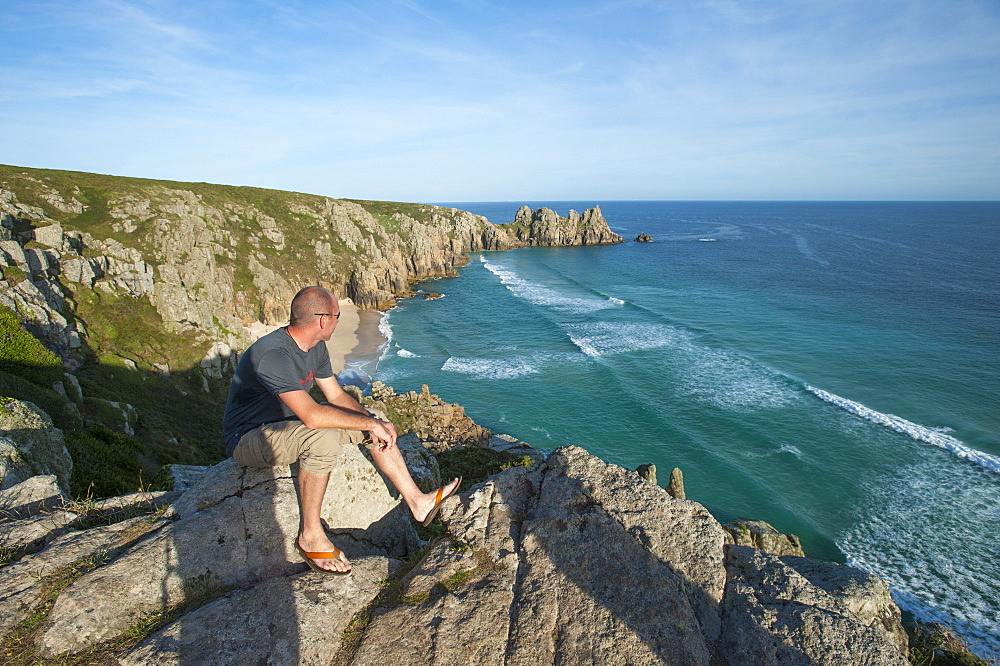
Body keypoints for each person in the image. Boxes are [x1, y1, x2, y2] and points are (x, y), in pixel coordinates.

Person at [223, 286, 461, 574]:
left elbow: (335, 397)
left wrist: (373, 421)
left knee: (375, 418)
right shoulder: (273, 355)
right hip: (250, 437)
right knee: (321, 438)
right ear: (322, 320)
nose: (339, 321)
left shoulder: (315, 346)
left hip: (289, 426)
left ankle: (417, 502)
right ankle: (310, 535)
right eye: (336, 316)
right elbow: (312, 416)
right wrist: (369, 423)